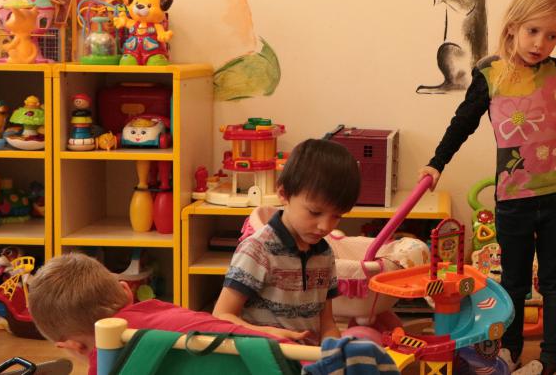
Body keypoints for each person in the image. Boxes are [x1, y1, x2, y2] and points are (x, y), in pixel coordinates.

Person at [419, 0, 556, 375]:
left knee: (554, 281)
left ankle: (551, 357)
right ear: (513, 26)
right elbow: (462, 123)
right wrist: (437, 163)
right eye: (533, 31)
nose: (541, 43)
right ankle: (511, 349)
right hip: (513, 198)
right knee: (514, 283)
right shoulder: (492, 75)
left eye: (551, 36)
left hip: (554, 194)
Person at [26, 253, 302, 375]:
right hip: (293, 358)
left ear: (72, 346)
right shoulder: (161, 309)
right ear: (126, 291)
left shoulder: (110, 357)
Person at [213, 138, 361, 346]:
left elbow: (327, 323)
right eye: (315, 212)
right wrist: (268, 334)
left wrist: (331, 351)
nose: (325, 226)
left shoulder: (324, 253)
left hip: (306, 362)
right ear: (284, 194)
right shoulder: (257, 249)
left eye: (337, 216)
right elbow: (221, 316)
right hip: (264, 359)